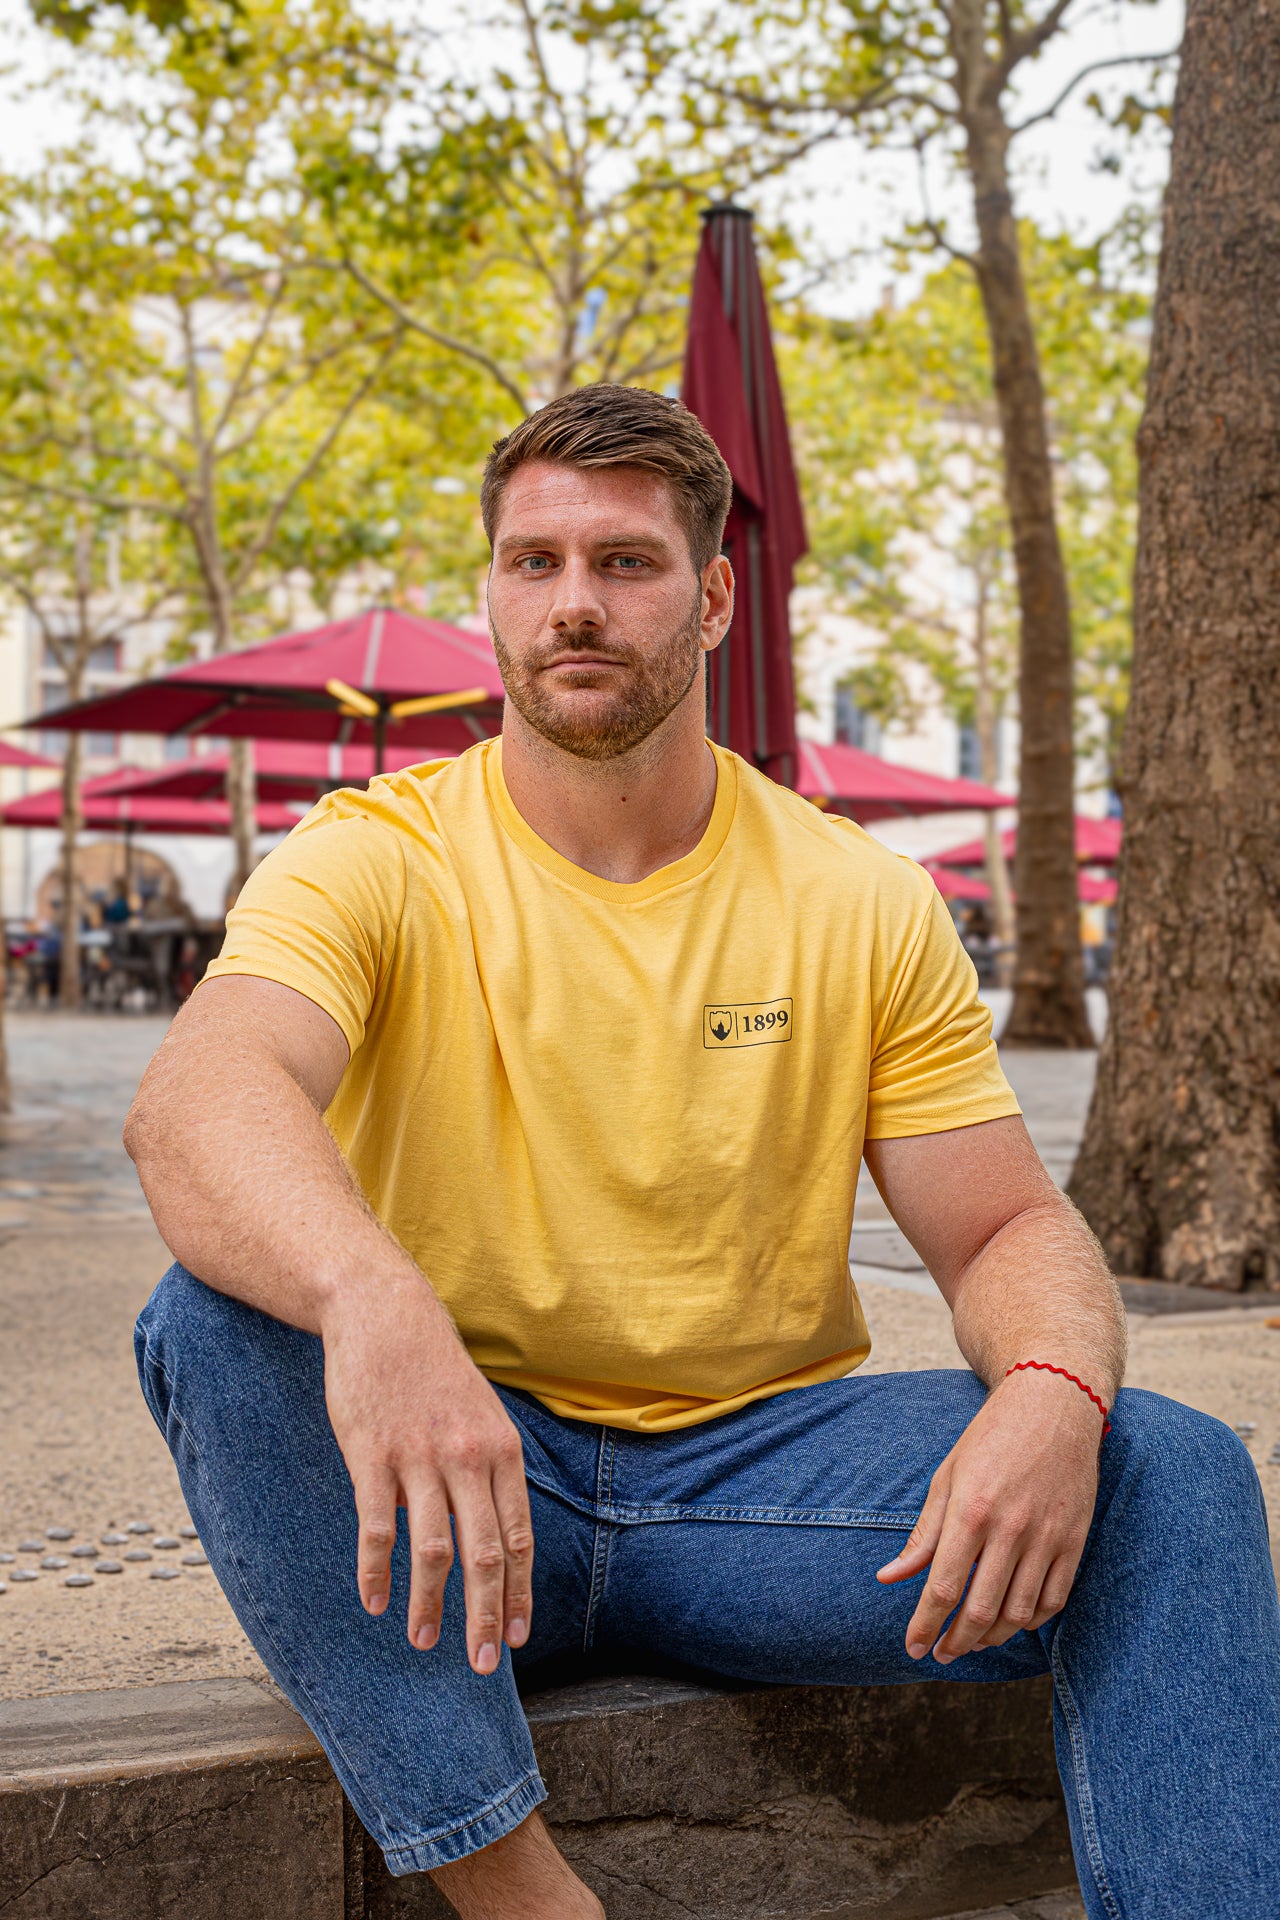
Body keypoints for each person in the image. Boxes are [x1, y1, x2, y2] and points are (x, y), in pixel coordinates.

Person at [125, 384, 1280, 1920]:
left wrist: (1058, 1395)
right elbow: (199, 1098)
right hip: (462, 1485)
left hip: (758, 1490)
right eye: (531, 564)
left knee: (1176, 1478)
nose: (573, 605)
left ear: (715, 593)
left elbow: (1004, 1228)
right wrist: (372, 1300)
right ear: (492, 594)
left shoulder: (857, 896)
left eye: (624, 562)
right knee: (210, 1327)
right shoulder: (377, 853)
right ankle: (528, 1900)